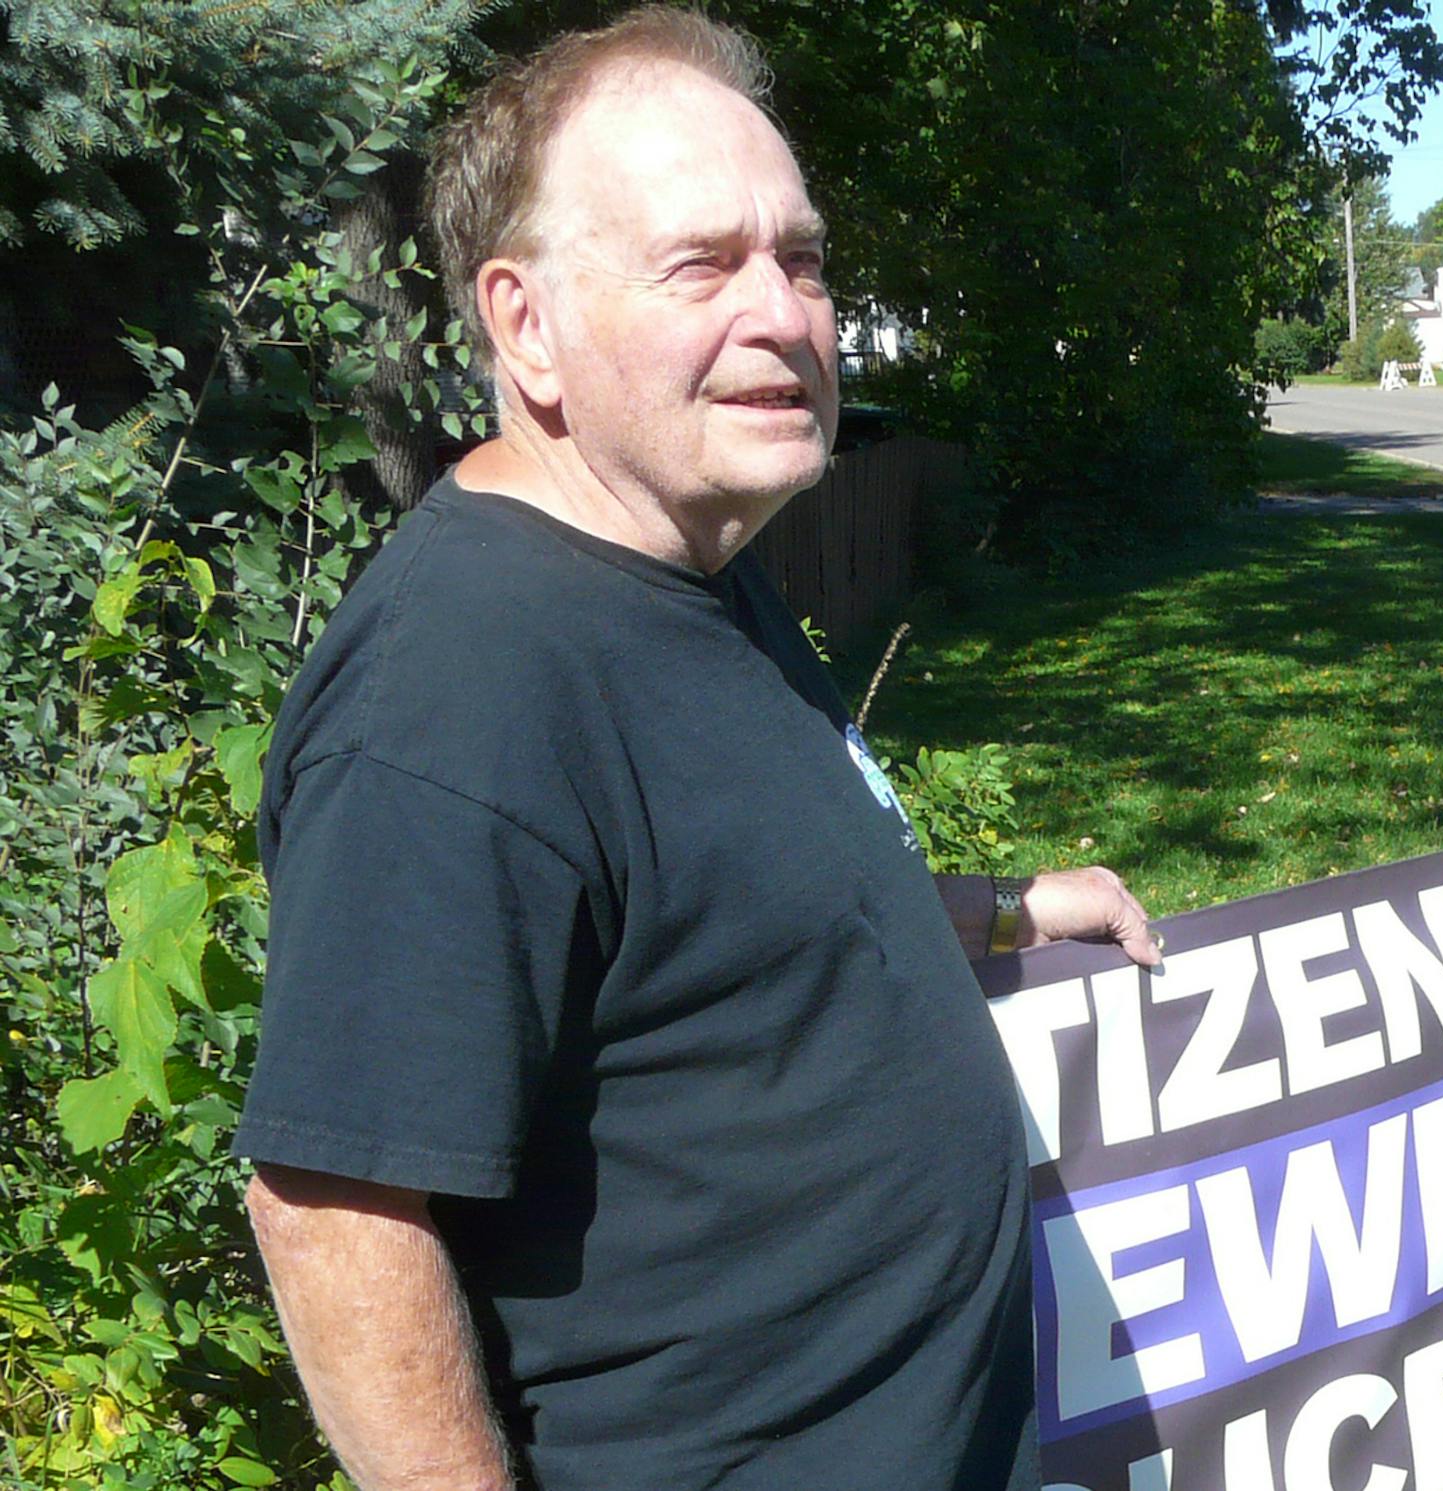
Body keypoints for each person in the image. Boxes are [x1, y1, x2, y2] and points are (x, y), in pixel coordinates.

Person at [232, 10, 1156, 1490]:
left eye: (801, 258)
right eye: (703, 264)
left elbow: (751, 911)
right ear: (525, 325)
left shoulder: (686, 561)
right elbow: (335, 1202)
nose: (784, 313)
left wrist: (1003, 909)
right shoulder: (459, 690)